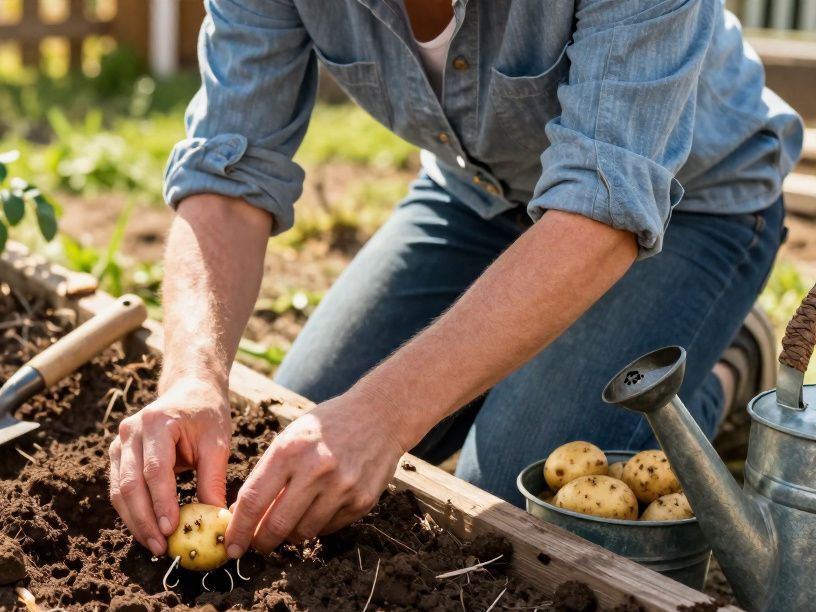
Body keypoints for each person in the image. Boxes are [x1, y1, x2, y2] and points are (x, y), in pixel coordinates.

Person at [108, 0, 804, 561]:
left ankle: (717, 374)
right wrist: (192, 377)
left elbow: (601, 209)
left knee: (511, 496)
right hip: (479, 197)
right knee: (296, 431)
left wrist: (382, 415)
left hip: (690, 204)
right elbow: (230, 177)